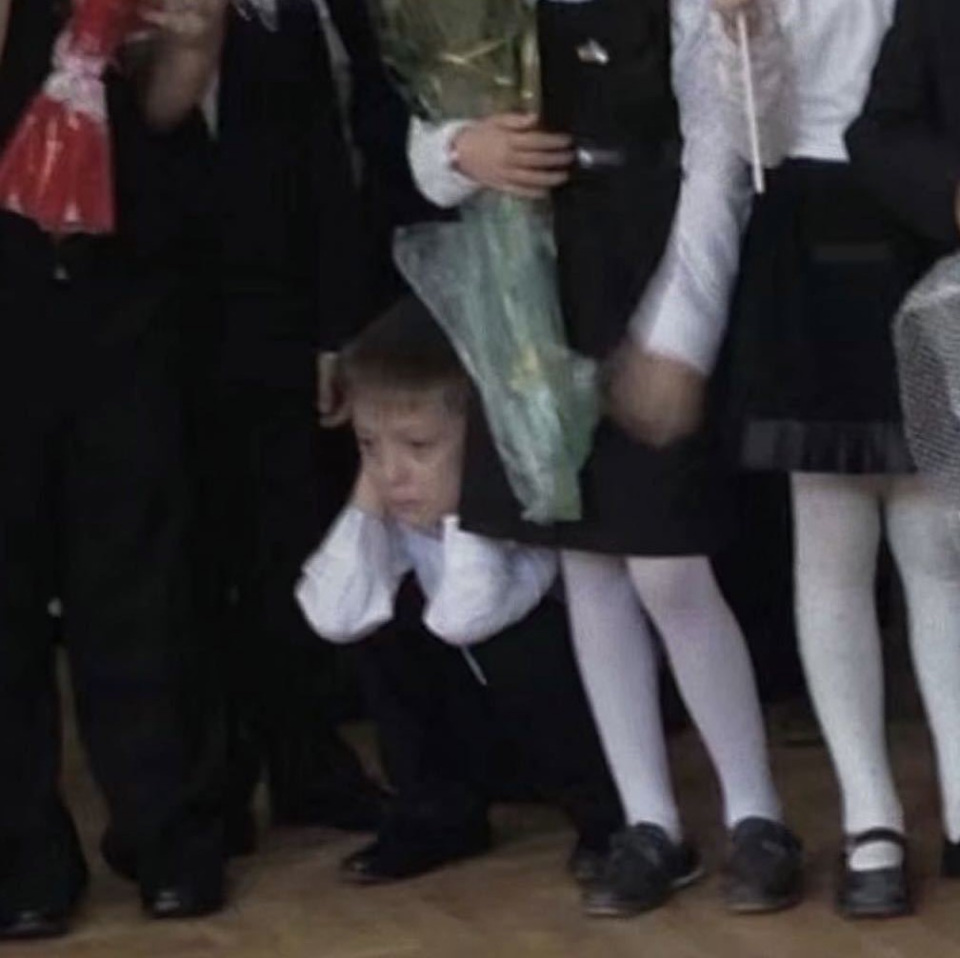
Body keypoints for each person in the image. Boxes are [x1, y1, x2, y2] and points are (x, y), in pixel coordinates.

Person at [405, 0, 803, 919]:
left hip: (650, 276)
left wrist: (679, 332)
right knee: (588, 566)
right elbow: (428, 126)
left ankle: (757, 813)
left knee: (669, 567)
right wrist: (461, 150)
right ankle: (649, 820)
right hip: (531, 280)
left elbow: (731, 153)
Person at [714, 0, 960, 919]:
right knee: (831, 544)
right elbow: (751, 134)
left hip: (931, 225)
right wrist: (747, 35)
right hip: (813, 225)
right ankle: (869, 817)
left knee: (938, 541)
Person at [0, 0, 228, 941]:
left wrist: (194, 39)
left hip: (121, 281)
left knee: (139, 567)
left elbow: (163, 107)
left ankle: (166, 834)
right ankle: (22, 857)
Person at [296, 296, 624, 885]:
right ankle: (437, 813)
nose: (392, 472)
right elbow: (332, 614)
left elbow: (467, 617)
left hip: (570, 731)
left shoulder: (527, 517)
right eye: (369, 445)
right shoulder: (396, 497)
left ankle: (606, 818)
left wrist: (474, 494)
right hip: (485, 732)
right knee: (377, 609)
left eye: (418, 447)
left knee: (516, 638)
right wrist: (366, 497)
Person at [192, 0, 415, 849]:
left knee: (285, 540)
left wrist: (332, 331)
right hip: (148, 321)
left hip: (276, 315)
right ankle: (205, 788)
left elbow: (323, 163)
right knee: (181, 561)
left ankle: (307, 762)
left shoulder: (282, 13)